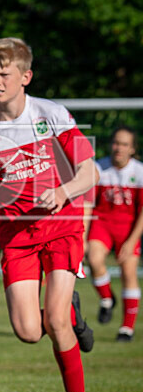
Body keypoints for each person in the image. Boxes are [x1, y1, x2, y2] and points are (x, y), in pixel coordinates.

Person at [0, 37, 99, 392]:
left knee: (54, 322)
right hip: (16, 236)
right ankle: (71, 313)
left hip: (62, 227)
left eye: (4, 73)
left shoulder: (51, 114)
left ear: (26, 76)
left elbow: (90, 171)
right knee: (27, 331)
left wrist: (63, 191)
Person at [86, 127, 143, 342]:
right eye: (116, 143)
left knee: (129, 273)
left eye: (124, 144)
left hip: (129, 227)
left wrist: (132, 240)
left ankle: (126, 328)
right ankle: (107, 298)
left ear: (132, 149)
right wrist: (83, 237)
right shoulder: (99, 168)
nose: (118, 148)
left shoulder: (139, 172)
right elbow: (87, 205)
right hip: (102, 224)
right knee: (94, 258)